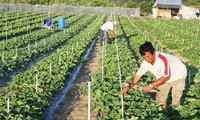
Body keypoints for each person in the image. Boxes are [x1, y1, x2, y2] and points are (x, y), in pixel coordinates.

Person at [121, 41, 187, 109]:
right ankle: (164, 110)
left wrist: (150, 85)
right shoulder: (145, 63)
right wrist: (128, 87)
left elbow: (166, 77)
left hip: (178, 74)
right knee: (160, 98)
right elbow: (137, 76)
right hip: (163, 76)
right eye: (144, 57)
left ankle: (174, 112)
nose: (147, 59)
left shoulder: (162, 59)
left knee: (176, 96)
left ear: (154, 52)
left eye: (148, 56)